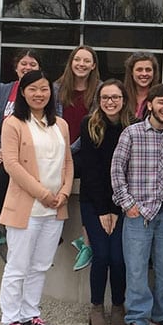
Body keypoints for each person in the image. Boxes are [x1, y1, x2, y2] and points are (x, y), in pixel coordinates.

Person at [0, 69, 73, 325]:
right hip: (27, 206)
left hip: (55, 208)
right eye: (33, 89)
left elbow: (67, 163)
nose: (39, 94)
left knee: (40, 265)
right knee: (18, 265)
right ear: (23, 93)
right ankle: (11, 320)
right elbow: (12, 165)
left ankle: (30, 314)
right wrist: (42, 193)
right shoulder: (13, 123)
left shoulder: (60, 124)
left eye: (44, 89)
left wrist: (63, 192)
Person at [0, 49, 61, 253]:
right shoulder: (3, 91)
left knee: (7, 174)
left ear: (39, 68)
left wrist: (12, 157)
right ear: (16, 67)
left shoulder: (47, 91)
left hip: (31, 152)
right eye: (23, 64)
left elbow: (55, 122)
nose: (27, 68)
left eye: (32, 64)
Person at [111, 84, 163, 325]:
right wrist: (127, 203)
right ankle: (137, 320)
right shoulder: (131, 133)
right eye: (161, 102)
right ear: (150, 104)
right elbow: (117, 170)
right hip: (138, 212)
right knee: (137, 269)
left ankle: (161, 315)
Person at [74, 79, 132, 325]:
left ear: (123, 99)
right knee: (102, 255)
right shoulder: (90, 124)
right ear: (99, 100)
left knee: (119, 258)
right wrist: (103, 210)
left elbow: (130, 170)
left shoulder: (132, 126)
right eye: (105, 97)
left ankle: (118, 305)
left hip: (123, 202)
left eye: (115, 97)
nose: (110, 102)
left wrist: (117, 209)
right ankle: (96, 307)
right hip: (93, 201)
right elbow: (91, 170)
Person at [57, 45, 101, 271]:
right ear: (71, 62)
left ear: (93, 65)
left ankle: (87, 240)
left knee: (89, 183)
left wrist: (68, 152)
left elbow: (93, 126)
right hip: (57, 149)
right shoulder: (56, 88)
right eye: (77, 60)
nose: (81, 64)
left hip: (84, 151)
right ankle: (54, 234)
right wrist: (60, 151)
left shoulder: (100, 90)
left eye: (87, 61)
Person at [122, 51, 158, 121]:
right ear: (131, 72)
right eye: (139, 70)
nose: (144, 73)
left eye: (148, 70)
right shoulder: (122, 96)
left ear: (154, 72)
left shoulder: (161, 96)